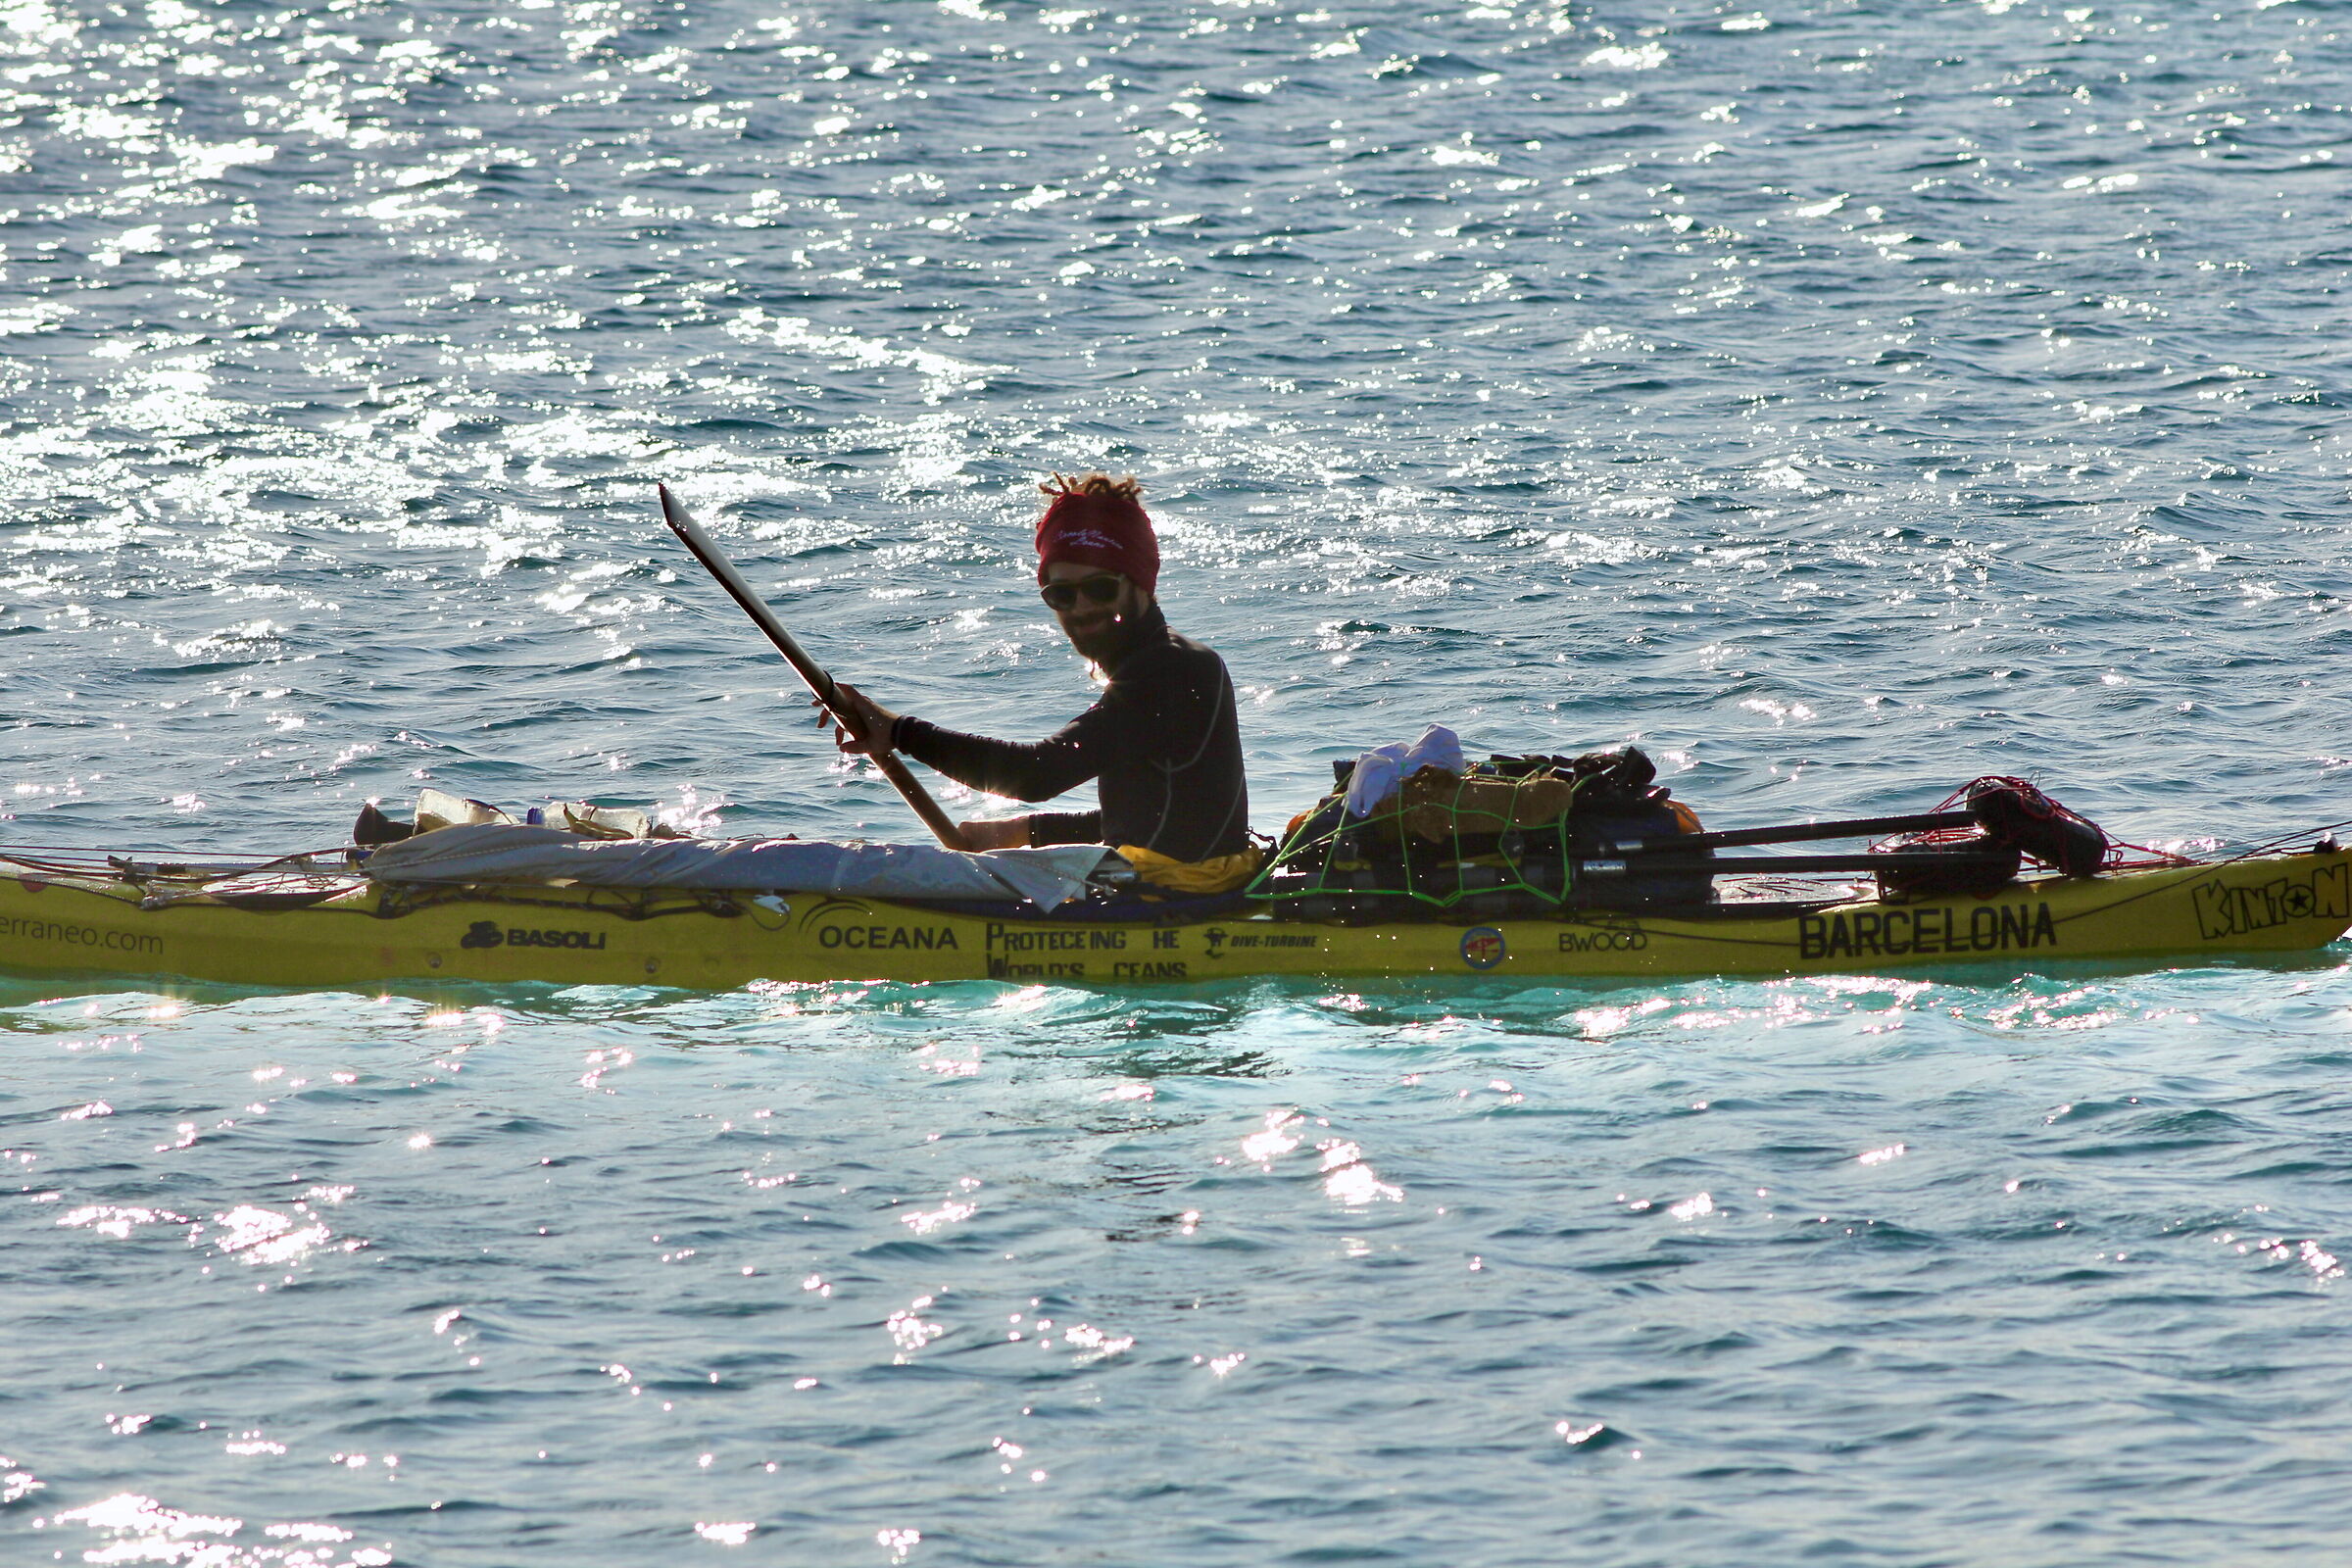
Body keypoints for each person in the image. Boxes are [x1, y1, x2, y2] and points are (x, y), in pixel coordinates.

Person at [824, 472, 1256, 893]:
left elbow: (1036, 775)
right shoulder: (1180, 660)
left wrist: (899, 732)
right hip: (1188, 882)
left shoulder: (1166, 673)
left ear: (1140, 585)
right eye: (1061, 594)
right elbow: (1160, 814)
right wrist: (1022, 831)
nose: (1081, 607)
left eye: (1101, 588)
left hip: (1175, 896)